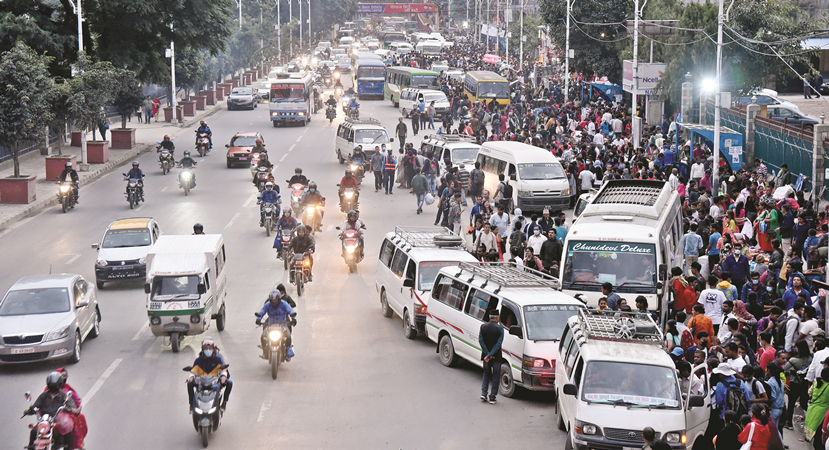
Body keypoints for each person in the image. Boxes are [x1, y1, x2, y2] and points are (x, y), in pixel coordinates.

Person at [24, 372, 77, 450]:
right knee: (34, 431)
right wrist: (30, 411)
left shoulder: (64, 395)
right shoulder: (44, 395)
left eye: (54, 384)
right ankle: (31, 448)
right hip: (45, 422)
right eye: (51, 384)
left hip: (58, 421)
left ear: (59, 384)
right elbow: (36, 405)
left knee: (68, 431)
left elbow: (71, 406)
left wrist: (67, 409)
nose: (52, 386)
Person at [186, 338, 232, 411]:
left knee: (229, 383)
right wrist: (191, 377)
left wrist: (223, 376)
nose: (208, 350)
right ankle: (191, 404)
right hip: (202, 382)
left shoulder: (217, 359)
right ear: (202, 349)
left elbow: (222, 370)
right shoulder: (198, 361)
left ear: (213, 349)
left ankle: (223, 403)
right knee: (189, 384)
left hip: (214, 382)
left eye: (210, 348)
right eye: (206, 348)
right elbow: (193, 371)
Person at [256, 290, 297, 359]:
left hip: (282, 324)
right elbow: (262, 311)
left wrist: (293, 318)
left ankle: (287, 352)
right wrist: (258, 319)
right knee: (263, 336)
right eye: (272, 300)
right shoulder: (268, 305)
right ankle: (264, 352)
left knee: (288, 336)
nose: (274, 301)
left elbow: (290, 310)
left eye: (275, 299)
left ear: (278, 299)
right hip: (270, 325)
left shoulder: (284, 304)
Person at [478, 309, 503, 404]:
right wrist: (491, 354)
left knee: (486, 373)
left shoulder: (483, 327)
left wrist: (487, 354)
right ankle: (492, 397)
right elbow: (498, 344)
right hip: (496, 356)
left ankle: (483, 394)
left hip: (486, 357)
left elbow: (481, 341)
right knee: (495, 376)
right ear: (497, 317)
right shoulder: (500, 329)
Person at [805, 368, 829, 443]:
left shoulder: (816, 382)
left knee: (811, 425)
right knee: (818, 432)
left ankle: (808, 437)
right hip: (822, 411)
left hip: (812, 407)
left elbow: (809, 392)